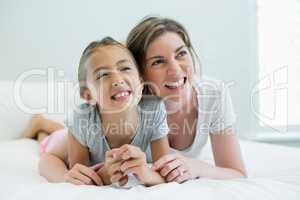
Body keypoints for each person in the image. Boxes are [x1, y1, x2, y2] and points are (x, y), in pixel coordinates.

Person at [29, 36, 170, 186]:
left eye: (125, 68)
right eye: (103, 75)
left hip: (81, 136)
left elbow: (163, 173)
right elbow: (80, 174)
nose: (118, 79)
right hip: (72, 138)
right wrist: (103, 174)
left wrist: (146, 173)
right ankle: (40, 125)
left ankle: (42, 125)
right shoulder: (81, 120)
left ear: (141, 82)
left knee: (63, 133)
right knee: (48, 143)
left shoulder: (154, 110)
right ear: (89, 95)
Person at [124, 16, 247, 183]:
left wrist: (196, 167)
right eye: (158, 62)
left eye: (181, 53)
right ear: (140, 73)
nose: (175, 70)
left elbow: (237, 172)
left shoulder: (213, 94)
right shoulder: (130, 103)